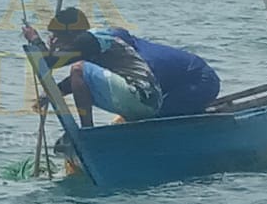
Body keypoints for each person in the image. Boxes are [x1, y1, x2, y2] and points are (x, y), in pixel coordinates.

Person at [45, 8, 220, 117]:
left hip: (200, 80)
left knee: (158, 115)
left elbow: (57, 62)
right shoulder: (102, 48)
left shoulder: (117, 48)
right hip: (167, 84)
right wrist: (52, 94)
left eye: (60, 40)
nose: (59, 46)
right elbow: (83, 79)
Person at [22, 11, 162, 127]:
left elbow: (50, 62)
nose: (56, 41)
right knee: (80, 73)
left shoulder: (88, 40)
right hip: (150, 102)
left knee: (78, 69)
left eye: (58, 37)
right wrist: (49, 95)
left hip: (139, 94)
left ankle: (87, 128)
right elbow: (77, 82)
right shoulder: (94, 42)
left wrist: (35, 39)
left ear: (70, 33)